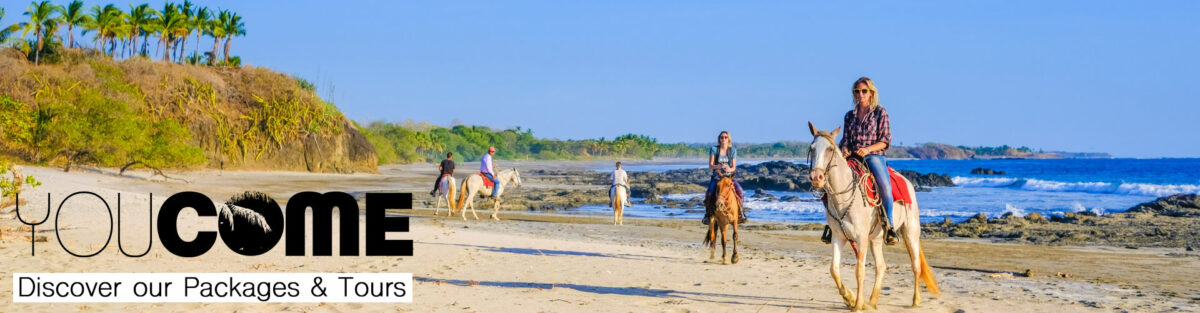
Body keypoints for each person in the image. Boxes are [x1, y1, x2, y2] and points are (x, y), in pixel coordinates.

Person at [839, 76, 898, 245]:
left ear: (871, 93)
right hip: (853, 156)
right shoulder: (849, 116)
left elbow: (885, 139)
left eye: (864, 91)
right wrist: (844, 150)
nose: (860, 94)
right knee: (831, 180)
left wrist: (867, 149)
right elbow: (845, 140)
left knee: (884, 186)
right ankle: (833, 225)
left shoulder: (880, 112)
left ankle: (889, 226)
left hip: (873, 155)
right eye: (857, 91)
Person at [703, 131, 746, 225]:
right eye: (721, 137)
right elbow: (710, 165)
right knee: (710, 193)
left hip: (728, 177)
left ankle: (740, 213)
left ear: (728, 139)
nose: (723, 139)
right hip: (717, 177)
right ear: (719, 138)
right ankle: (707, 214)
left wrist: (729, 168)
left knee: (740, 192)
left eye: (725, 137)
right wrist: (717, 167)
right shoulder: (714, 149)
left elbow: (734, 167)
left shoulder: (733, 150)